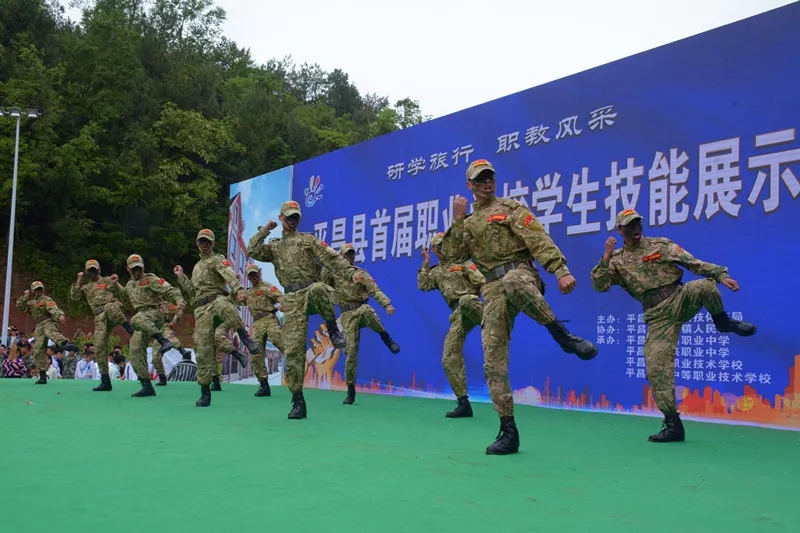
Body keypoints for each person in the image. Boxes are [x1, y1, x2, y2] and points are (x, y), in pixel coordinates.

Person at [441, 158, 598, 455]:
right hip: (491, 288)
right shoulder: (469, 222)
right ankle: (508, 431)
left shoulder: (510, 209)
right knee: (492, 359)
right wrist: (458, 219)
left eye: (490, 177)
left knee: (513, 280)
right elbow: (451, 256)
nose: (487, 182)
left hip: (522, 275)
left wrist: (560, 270)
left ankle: (562, 336)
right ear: (470, 185)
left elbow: (538, 239)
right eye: (480, 179)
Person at [590, 209, 756, 442]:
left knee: (705, 286)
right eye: (629, 226)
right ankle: (673, 425)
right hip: (658, 317)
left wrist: (720, 275)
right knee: (656, 367)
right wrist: (605, 256)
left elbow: (693, 263)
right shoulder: (616, 260)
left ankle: (723, 322)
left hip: (680, 298)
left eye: (638, 224)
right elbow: (599, 284)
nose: (635, 229)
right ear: (620, 230)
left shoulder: (661, 245)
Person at [246, 200, 364, 419]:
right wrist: (264, 230)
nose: (292, 221)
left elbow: (332, 259)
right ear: (282, 218)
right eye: (289, 217)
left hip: (310, 291)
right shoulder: (275, 246)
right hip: (291, 299)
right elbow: (252, 249)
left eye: (296, 217)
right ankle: (298, 400)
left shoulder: (308, 240)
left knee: (321, 288)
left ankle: (332, 329)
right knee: (292, 351)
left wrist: (350, 273)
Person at [174, 229, 260, 407]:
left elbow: (229, 274)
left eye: (207, 242)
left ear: (212, 244)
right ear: (197, 243)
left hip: (217, 299)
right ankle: (205, 391)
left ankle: (245, 337)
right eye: (201, 242)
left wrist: (239, 290)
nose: (204, 245)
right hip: (201, 309)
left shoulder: (218, 259)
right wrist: (181, 277)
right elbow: (192, 293)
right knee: (203, 349)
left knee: (224, 305)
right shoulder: (197, 267)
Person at [322, 243, 400, 405]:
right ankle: (350, 390)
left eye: (351, 255)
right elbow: (322, 281)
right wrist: (328, 263)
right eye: (346, 255)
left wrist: (387, 305)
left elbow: (375, 290)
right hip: (347, 314)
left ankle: (386, 337)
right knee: (350, 352)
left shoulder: (360, 273)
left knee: (369, 312)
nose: (349, 257)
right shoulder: (334, 273)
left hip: (360, 307)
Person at [417, 232, 485, 418]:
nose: (446, 248)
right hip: (458, 314)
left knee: (467, 302)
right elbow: (423, 285)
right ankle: (464, 403)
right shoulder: (437, 272)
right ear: (435, 249)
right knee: (449, 357)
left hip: (473, 304)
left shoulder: (463, 263)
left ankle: (495, 326)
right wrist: (425, 263)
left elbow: (482, 281)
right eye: (441, 245)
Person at [123, 254, 185, 397]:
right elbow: (123, 295)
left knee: (134, 320)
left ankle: (162, 340)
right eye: (133, 269)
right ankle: (146, 386)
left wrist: (179, 301)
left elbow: (171, 290)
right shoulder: (129, 284)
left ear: (143, 267)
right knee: (135, 350)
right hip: (142, 319)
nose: (137, 271)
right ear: (128, 269)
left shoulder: (151, 279)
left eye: (139, 268)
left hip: (155, 313)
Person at [70, 259, 133, 392]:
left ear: (99, 270)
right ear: (87, 272)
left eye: (94, 269)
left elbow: (124, 295)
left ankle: (130, 329)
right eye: (90, 270)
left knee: (110, 306)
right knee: (99, 347)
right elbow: (74, 296)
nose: (93, 272)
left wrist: (115, 284)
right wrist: (79, 279)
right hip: (99, 317)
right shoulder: (86, 287)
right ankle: (105, 380)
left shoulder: (108, 280)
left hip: (112, 312)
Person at [15, 282, 78, 384]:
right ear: (33, 291)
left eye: (40, 289)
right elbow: (19, 306)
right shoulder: (31, 303)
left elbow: (54, 309)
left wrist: (59, 316)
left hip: (49, 321)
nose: (38, 291)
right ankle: (43, 375)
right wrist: (25, 296)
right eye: (36, 289)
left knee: (49, 331)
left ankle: (65, 343)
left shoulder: (47, 300)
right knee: (37, 349)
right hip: (39, 324)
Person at [242, 263, 285, 397]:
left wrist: (283, 304)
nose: (253, 277)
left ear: (259, 273)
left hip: (269, 319)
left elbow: (280, 296)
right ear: (248, 277)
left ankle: (295, 371)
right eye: (251, 275)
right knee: (255, 354)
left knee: (281, 342)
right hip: (257, 323)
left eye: (255, 274)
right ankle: (264, 385)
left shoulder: (266, 287)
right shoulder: (248, 292)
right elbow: (236, 299)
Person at [150, 301, 192, 386]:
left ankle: (183, 351)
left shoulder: (166, 304)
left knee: (169, 336)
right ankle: (162, 378)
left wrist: (174, 321)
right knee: (155, 357)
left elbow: (179, 311)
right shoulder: (147, 305)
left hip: (164, 326)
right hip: (156, 331)